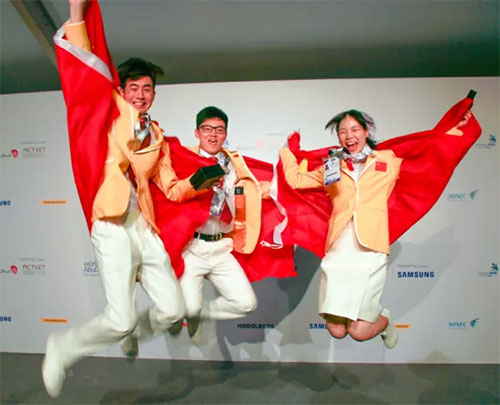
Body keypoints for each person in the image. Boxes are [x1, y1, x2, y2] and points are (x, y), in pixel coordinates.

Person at [42, 0, 184, 397]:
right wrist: (77, 14)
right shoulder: (107, 110)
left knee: (173, 310)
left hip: (144, 226)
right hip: (110, 223)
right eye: (133, 87)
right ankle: (63, 349)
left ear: (154, 94)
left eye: (147, 89)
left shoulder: (156, 133)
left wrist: (206, 180)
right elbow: (86, 67)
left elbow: (170, 185)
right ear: (122, 90)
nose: (141, 94)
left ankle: (133, 331)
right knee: (120, 320)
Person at [279, 104, 474, 348]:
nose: (349, 135)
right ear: (338, 137)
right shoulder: (332, 165)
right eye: (342, 131)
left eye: (354, 129)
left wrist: (456, 127)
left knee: (360, 332)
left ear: (366, 132)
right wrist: (287, 151)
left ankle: (385, 320)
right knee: (337, 331)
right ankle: (356, 319)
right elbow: (296, 180)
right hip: (338, 249)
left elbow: (429, 149)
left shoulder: (388, 159)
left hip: (371, 249)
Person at [153, 106, 267, 344]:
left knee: (246, 303)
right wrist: (198, 182)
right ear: (197, 133)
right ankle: (191, 314)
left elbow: (251, 190)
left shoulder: (234, 163)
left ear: (226, 134)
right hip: (192, 247)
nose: (213, 135)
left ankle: (198, 314)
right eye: (207, 129)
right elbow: (171, 190)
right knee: (189, 307)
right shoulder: (183, 159)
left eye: (219, 130)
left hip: (221, 246)